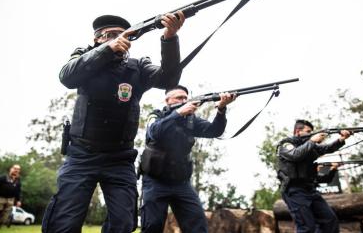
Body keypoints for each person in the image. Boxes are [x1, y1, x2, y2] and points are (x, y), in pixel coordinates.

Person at [42, 12, 185, 233]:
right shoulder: (83, 58)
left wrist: (170, 37)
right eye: (110, 35)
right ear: (97, 39)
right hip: (81, 155)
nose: (118, 38)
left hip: (120, 159)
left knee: (124, 222)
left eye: (122, 35)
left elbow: (168, 79)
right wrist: (108, 49)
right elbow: (67, 77)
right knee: (63, 223)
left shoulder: (137, 66)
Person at [139, 85, 236, 233]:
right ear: (167, 101)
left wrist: (221, 109)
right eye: (179, 98)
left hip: (181, 183)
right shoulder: (156, 116)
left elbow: (215, 130)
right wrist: (178, 113)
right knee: (152, 226)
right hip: (155, 182)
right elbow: (155, 132)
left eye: (185, 97)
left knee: (198, 226)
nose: (184, 100)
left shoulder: (191, 120)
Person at [276, 119, 351, 233]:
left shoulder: (311, 146)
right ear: (298, 131)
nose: (311, 133)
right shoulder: (286, 144)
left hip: (310, 190)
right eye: (308, 131)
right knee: (307, 228)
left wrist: (342, 139)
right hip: (294, 190)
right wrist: (311, 141)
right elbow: (295, 155)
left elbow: (327, 148)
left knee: (330, 220)